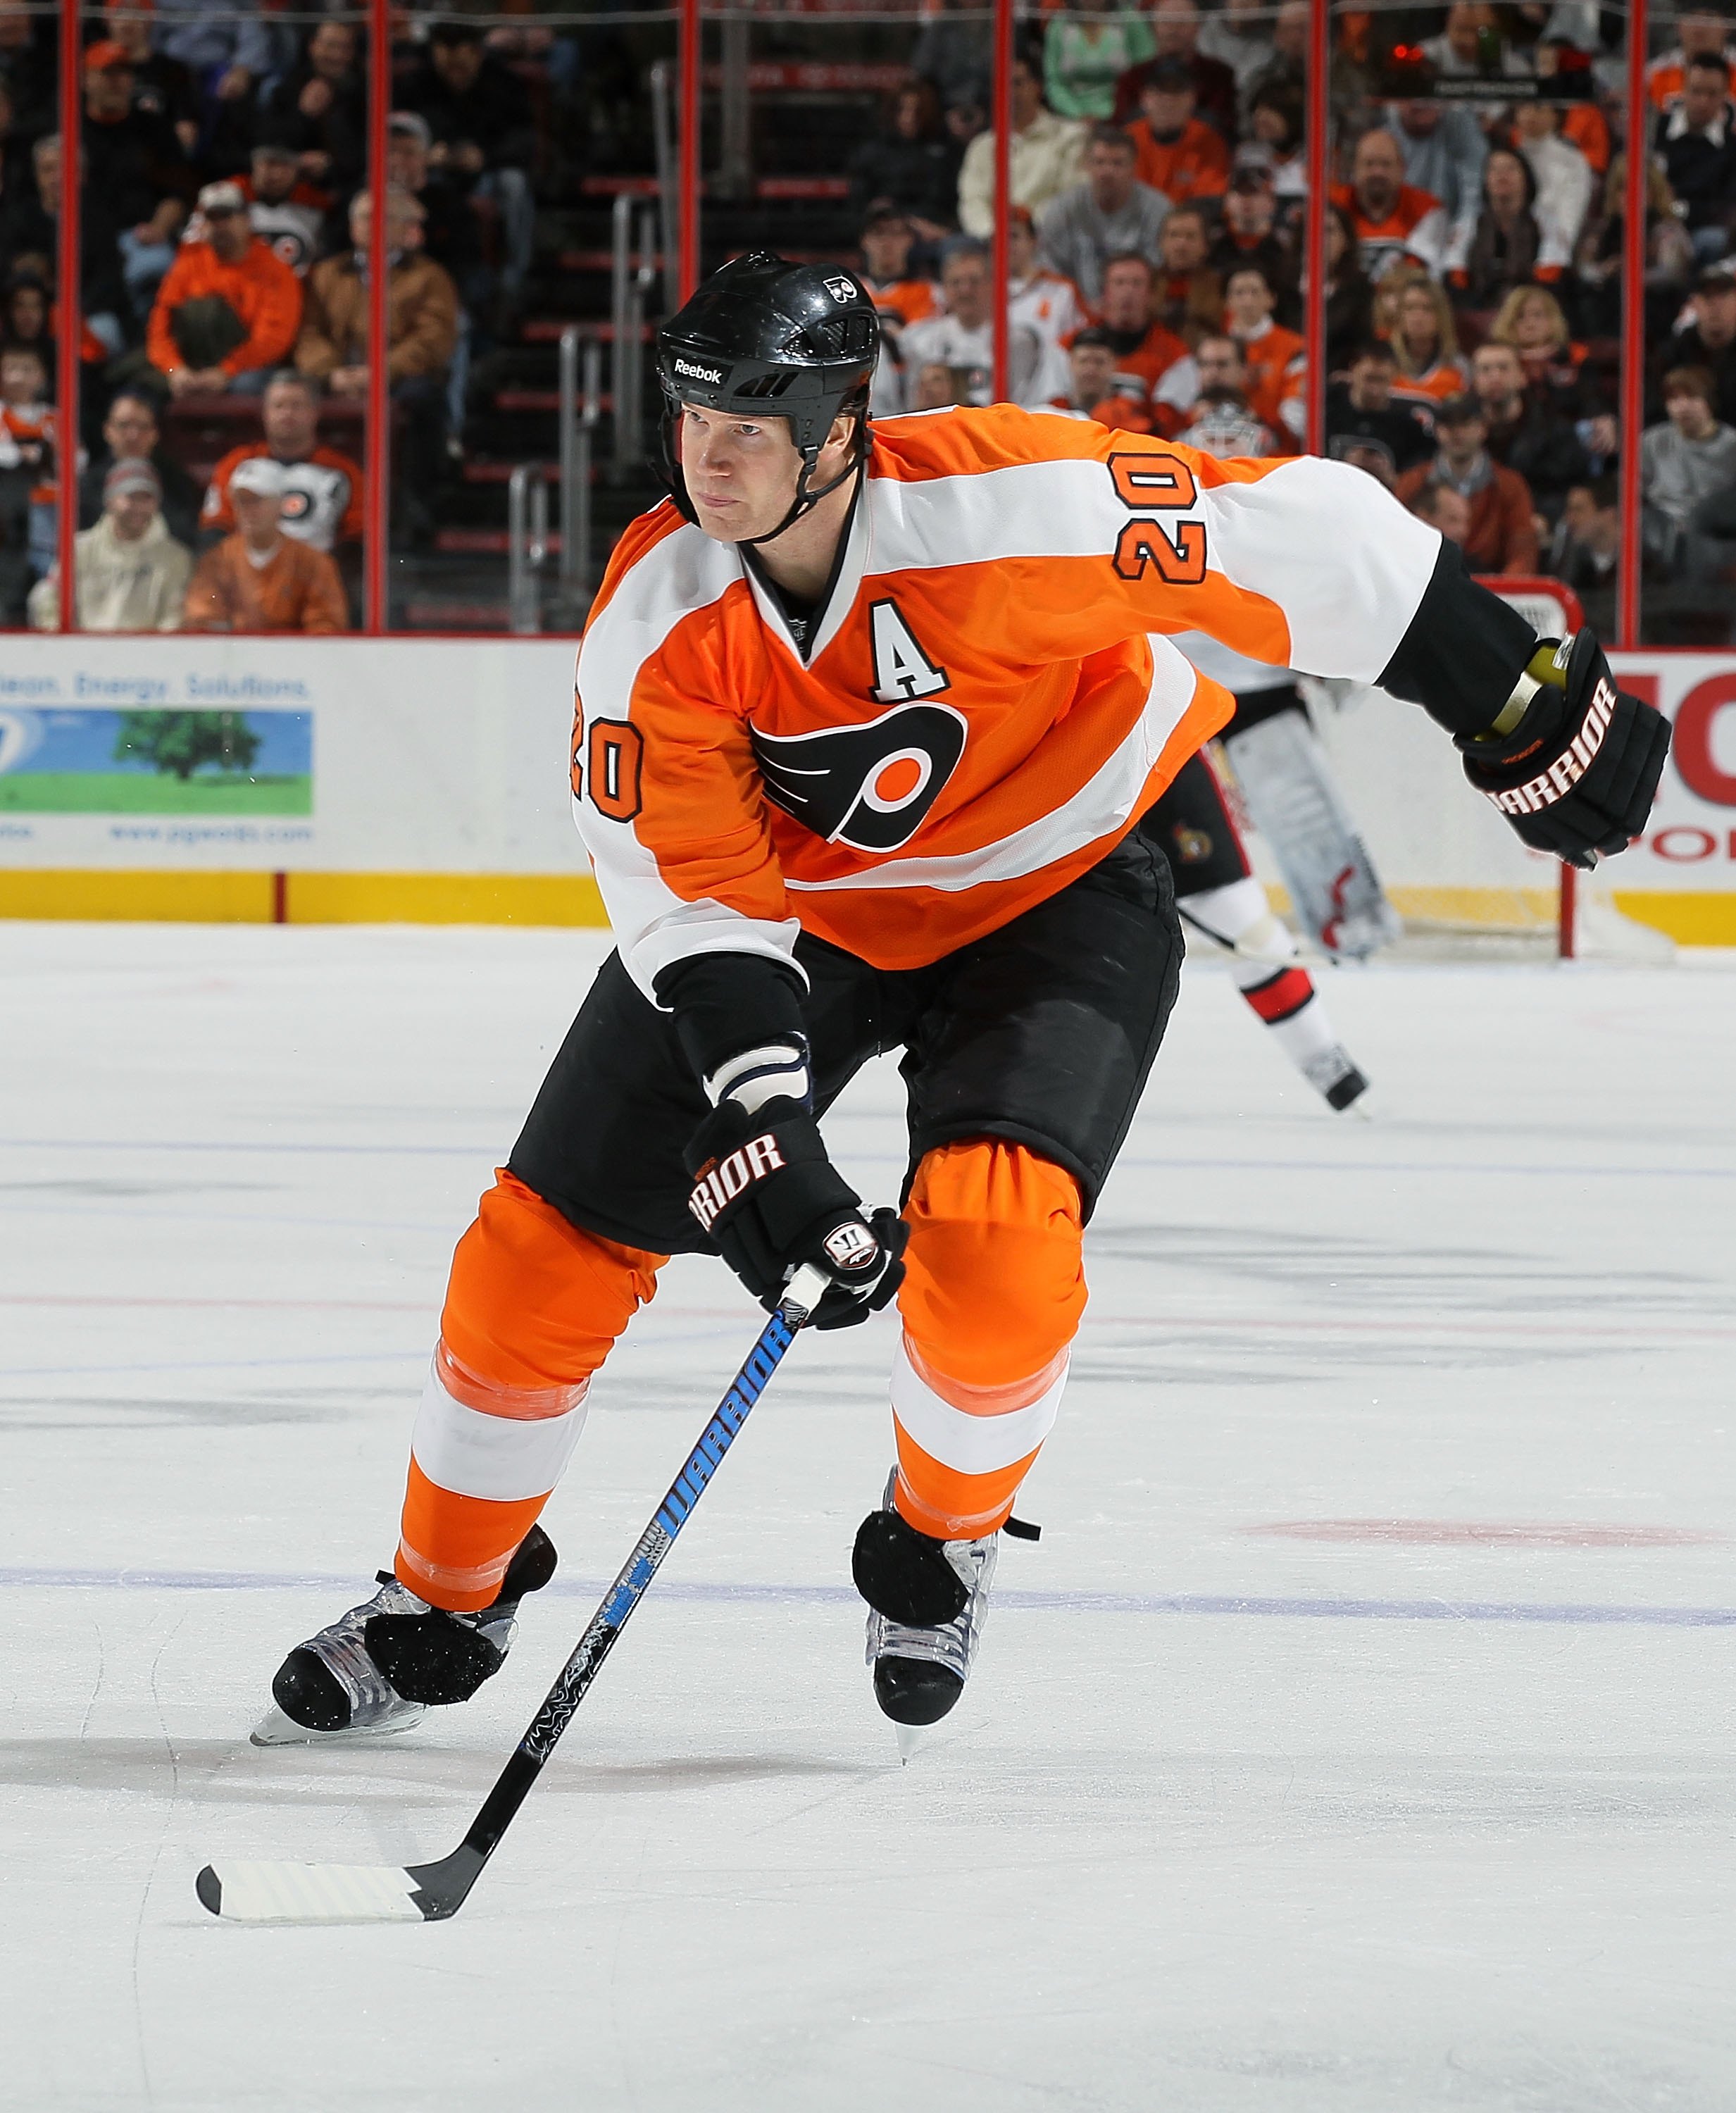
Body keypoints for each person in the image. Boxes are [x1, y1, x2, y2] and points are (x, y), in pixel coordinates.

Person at [257, 249, 1666, 1748]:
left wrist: (1512, 697)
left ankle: (934, 1541)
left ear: (837, 431)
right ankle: (443, 1596)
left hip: (1060, 886)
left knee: (995, 1249)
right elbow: (692, 896)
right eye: (689, 422)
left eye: (747, 427)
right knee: (531, 1258)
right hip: (807, 924)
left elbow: (1296, 537)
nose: (708, 461)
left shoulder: (1012, 508)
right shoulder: (657, 619)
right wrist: (764, 1123)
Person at [295, 187, 459, 497]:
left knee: (423, 399)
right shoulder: (327, 274)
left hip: (397, 377)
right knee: (288, 394)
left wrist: (381, 372)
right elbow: (308, 332)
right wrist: (331, 373)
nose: (369, 226)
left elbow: (433, 338)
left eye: (379, 218)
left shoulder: (429, 277)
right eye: (362, 219)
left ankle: (415, 504)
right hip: (337, 375)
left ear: (402, 227)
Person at [400, 18, 537, 316]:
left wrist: (485, 156)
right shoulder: (416, 85)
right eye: (444, 56)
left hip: (488, 172)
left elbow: (525, 141)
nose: (454, 68)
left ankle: (511, 286)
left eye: (462, 59)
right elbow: (397, 134)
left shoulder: (504, 84)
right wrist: (425, 156)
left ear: (478, 53)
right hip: (435, 175)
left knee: (514, 184)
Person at [146, 180, 303, 399]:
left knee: (247, 387)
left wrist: (226, 370)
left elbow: (273, 340)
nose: (219, 226)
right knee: (138, 384)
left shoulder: (276, 270)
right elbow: (160, 328)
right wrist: (175, 370)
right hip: (187, 365)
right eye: (212, 218)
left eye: (226, 217)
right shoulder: (188, 263)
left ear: (247, 220)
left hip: (246, 367)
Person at [80, 37, 195, 325]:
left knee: (158, 271)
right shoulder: (70, 127)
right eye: (107, 74)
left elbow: (178, 191)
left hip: (139, 238)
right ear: (85, 80)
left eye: (123, 74)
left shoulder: (154, 128)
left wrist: (160, 227)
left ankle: (152, 358)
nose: (117, 82)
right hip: (85, 242)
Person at [201, 370, 365, 556]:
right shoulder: (236, 465)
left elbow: (358, 535)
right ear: (265, 413)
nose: (287, 413)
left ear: (315, 412)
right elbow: (215, 527)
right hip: (247, 576)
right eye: (279, 406)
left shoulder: (342, 470)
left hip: (315, 576)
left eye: (297, 406)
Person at [182, 455, 348, 633]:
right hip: (232, 656)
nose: (248, 510)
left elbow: (326, 625)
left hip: (294, 657)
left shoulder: (312, 563)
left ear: (280, 504)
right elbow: (203, 617)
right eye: (241, 501)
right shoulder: (217, 561)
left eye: (257, 501)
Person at [27, 457, 192, 632]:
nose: (138, 507)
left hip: (147, 654)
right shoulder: (80, 549)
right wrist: (64, 642)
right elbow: (47, 597)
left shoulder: (176, 557)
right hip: (85, 652)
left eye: (146, 498)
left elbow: (174, 617)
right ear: (110, 500)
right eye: (130, 497)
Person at [899, 239, 1066, 407]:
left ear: (992, 284)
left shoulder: (1018, 341)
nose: (965, 290)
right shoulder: (923, 340)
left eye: (974, 281)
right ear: (945, 289)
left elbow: (1025, 403)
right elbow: (914, 406)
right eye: (956, 283)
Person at [1395, 394, 1540, 574]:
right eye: (1448, 425)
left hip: (1491, 586)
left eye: (1465, 424)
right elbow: (1395, 540)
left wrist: (1505, 591)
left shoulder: (1510, 485)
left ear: (1482, 428)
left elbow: (1522, 549)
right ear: (1437, 430)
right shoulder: (1412, 482)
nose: (1457, 432)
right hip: (1425, 581)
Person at [1035, 123, 1168, 304]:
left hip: (1140, 310)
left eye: (1118, 163)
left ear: (1134, 166)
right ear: (1086, 165)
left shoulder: (1158, 210)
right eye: (1100, 162)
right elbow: (1050, 269)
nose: (1107, 172)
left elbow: (1160, 271)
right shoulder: (1063, 209)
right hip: (1075, 310)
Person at [958, 54, 1087, 238]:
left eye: (1017, 83)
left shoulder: (1072, 137)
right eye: (1002, 85)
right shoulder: (981, 146)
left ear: (1037, 87)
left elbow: (1071, 197)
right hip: (991, 241)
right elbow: (972, 201)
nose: (1010, 92)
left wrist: (1028, 230)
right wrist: (991, 233)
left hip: (1052, 236)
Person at [1470, 339, 1588, 518]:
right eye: (1485, 370)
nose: (1495, 377)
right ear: (1474, 381)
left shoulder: (1554, 429)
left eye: (1503, 368)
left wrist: (1546, 519)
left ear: (1522, 377)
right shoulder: (1458, 429)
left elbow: (1571, 490)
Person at [75, 386, 204, 549]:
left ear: (155, 434)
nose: (133, 435)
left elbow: (184, 536)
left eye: (142, 427)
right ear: (108, 431)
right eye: (124, 426)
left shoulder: (177, 482)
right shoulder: (87, 484)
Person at [1641, 364, 1736, 571]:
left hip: (1712, 533)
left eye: (1692, 398)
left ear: (1709, 402)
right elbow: (1634, 491)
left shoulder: (1732, 446)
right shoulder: (1652, 441)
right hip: (1661, 528)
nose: (1682, 407)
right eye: (1674, 400)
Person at [258, 20, 367, 197]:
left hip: (346, 188)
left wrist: (331, 165)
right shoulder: (286, 89)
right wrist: (303, 114)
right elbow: (268, 143)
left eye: (345, 48)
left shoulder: (363, 93)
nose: (337, 55)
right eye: (331, 46)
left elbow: (366, 150)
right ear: (313, 46)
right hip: (290, 190)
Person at [1089, 250, 1196, 430]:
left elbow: (1168, 425)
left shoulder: (1175, 354)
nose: (1127, 291)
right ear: (1104, 292)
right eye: (1119, 283)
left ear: (1152, 294)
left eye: (1137, 284)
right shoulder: (1071, 346)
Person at [847, 81, 960, 239]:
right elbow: (859, 206)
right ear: (892, 111)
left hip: (935, 231)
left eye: (918, 111)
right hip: (887, 233)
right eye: (902, 109)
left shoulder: (947, 152)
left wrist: (942, 230)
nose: (909, 118)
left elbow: (953, 202)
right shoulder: (872, 153)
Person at [1113, 0, 1237, 142]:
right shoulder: (1132, 78)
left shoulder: (1219, 76)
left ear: (1196, 27)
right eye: (1166, 23)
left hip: (1202, 155)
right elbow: (1119, 128)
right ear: (1154, 27)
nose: (1173, 31)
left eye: (1181, 24)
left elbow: (1226, 126)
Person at [1332, 127, 1448, 281]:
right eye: (1369, 164)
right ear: (1354, 168)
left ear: (1402, 169)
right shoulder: (1332, 205)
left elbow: (1426, 279)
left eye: (1386, 164)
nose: (1378, 172)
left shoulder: (1427, 209)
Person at [1385, 99, 1487, 270]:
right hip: (1400, 237)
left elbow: (1475, 184)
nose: (1423, 105)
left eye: (1428, 99)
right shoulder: (1386, 137)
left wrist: (1464, 229)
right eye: (1414, 100)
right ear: (1398, 103)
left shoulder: (1457, 124)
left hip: (1449, 237)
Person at [1451, 147, 1554, 306]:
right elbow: (1454, 277)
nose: (1502, 175)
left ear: (1526, 178)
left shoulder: (1545, 223)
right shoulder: (1469, 224)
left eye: (1510, 169)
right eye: (1494, 169)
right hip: (1478, 308)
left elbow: (1551, 279)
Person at [1656, 56, 1736, 261]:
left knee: (1715, 239)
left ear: (1725, 96)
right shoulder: (1656, 130)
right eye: (1696, 91)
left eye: (1712, 94)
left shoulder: (1731, 147)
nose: (1703, 102)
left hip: (1700, 234)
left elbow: (1725, 208)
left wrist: (1677, 209)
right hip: (1652, 226)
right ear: (1682, 89)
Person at [1325, 339, 1435, 482]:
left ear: (1394, 376)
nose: (1374, 391)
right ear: (1353, 370)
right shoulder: (1328, 409)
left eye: (1381, 380)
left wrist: (1392, 478)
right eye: (1369, 379)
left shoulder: (1407, 427)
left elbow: (1417, 481)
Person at [1128, 58, 1228, 206]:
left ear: (1192, 99)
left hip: (1189, 223)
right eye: (1160, 92)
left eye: (1177, 92)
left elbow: (1211, 199)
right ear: (1145, 98)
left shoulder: (1208, 139)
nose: (1168, 100)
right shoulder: (1128, 139)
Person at [1224, 263, 1304, 448]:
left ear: (1271, 299)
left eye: (1255, 292)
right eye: (1239, 293)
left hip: (1277, 449)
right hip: (1221, 440)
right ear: (1228, 302)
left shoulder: (1295, 348)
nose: (1247, 301)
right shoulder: (1215, 348)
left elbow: (1295, 420)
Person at [1208, 166, 1299, 324]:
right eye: (1239, 192)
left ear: (1272, 202)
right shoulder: (1210, 244)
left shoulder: (1288, 245)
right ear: (1226, 201)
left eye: (1254, 193)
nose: (1246, 199)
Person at [1512, 101, 1596, 271]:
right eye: (1523, 108)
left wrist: (1556, 253)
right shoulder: (1508, 157)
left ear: (1555, 116)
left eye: (1538, 108)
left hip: (1553, 251)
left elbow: (1570, 215)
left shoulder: (1572, 160)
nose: (1529, 115)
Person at [1044, 0, 1154, 123]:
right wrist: (1078, 115)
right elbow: (1054, 81)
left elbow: (1146, 72)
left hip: (1126, 115)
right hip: (1070, 119)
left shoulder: (1131, 20)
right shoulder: (1059, 25)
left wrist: (1116, 113)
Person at [239, 139, 328, 278]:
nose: (277, 174)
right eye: (270, 163)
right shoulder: (226, 200)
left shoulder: (314, 205)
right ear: (254, 164)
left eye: (285, 165)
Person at [1172, 333, 1274, 453]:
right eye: (1206, 364)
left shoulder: (1266, 420)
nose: (1213, 372)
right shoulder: (1178, 423)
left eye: (1222, 364)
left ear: (1243, 369)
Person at [1665, 263, 1736, 426]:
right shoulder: (1675, 352)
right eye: (1707, 296)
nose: (1715, 305)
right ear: (1694, 304)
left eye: (1723, 295)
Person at [1387, 275, 1467, 413]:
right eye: (1410, 308)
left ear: (1441, 316)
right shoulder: (1384, 362)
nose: (1418, 317)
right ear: (1400, 315)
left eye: (1427, 309)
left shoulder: (1458, 367)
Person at [1052, 324, 1154, 429]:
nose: (1091, 369)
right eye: (1083, 361)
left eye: (1099, 362)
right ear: (1071, 363)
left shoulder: (1130, 411)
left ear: (1114, 364)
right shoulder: (1055, 409)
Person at [1149, 205, 1221, 342]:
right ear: (1161, 243)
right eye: (1174, 235)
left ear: (1205, 245)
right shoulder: (1146, 283)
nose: (1181, 245)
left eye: (1190, 236)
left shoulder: (1220, 287)